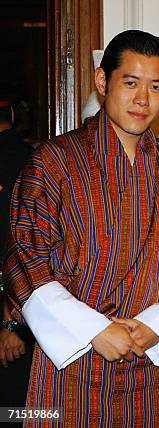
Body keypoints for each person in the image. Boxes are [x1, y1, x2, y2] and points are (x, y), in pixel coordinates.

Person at [3, 30, 159, 426]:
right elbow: (25, 255)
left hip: (146, 359)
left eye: (156, 87)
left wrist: (157, 325)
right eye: (130, 83)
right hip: (68, 362)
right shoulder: (53, 162)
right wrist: (94, 330)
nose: (142, 99)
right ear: (103, 82)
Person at [0, 98, 34, 414]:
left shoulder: (23, 163)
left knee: (14, 413)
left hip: (11, 319)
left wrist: (12, 324)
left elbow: (20, 251)